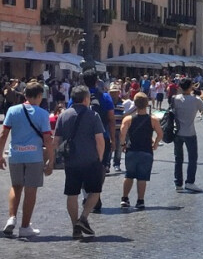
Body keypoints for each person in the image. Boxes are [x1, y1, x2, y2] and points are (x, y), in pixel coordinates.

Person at [0, 80, 54, 239]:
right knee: (31, 190)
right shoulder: (43, 114)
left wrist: (0, 154)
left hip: (15, 154)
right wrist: (51, 160)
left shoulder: (12, 110)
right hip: (34, 156)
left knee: (16, 187)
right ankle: (25, 226)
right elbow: (47, 139)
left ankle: (11, 217)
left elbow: (3, 135)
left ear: (24, 94)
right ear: (39, 96)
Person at [53, 84, 106, 239]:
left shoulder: (64, 115)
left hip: (71, 161)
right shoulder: (93, 115)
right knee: (95, 191)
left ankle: (75, 226)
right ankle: (83, 218)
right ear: (85, 99)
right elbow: (99, 140)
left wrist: (56, 158)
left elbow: (56, 141)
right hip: (90, 159)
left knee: (72, 194)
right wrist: (100, 157)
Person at [119, 92, 163, 209]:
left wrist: (123, 144)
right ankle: (140, 200)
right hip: (146, 150)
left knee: (129, 175)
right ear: (147, 103)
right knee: (142, 177)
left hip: (131, 150)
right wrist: (156, 143)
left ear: (135, 104)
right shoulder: (153, 119)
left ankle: (125, 198)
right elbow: (160, 133)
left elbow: (122, 133)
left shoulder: (128, 119)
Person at [171, 78, 203, 193]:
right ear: (190, 87)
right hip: (190, 132)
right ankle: (190, 182)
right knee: (192, 158)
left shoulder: (175, 99)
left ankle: (178, 183)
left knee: (178, 158)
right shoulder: (196, 100)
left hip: (177, 132)